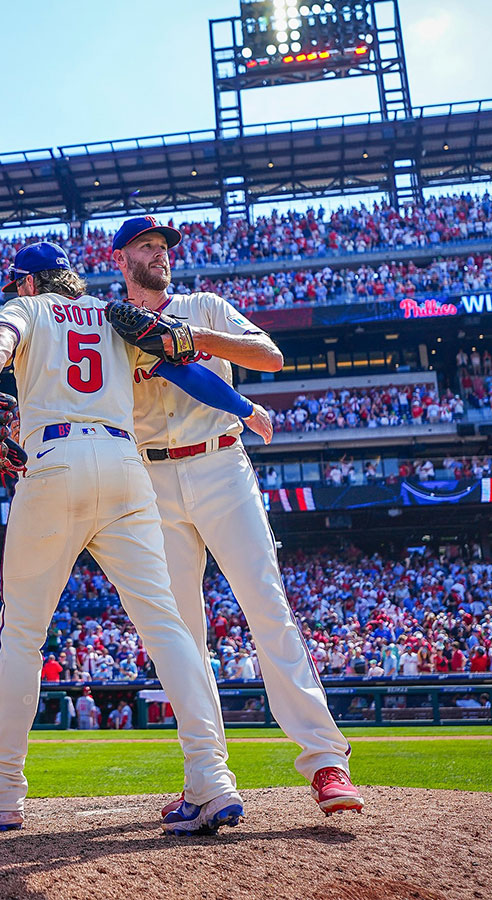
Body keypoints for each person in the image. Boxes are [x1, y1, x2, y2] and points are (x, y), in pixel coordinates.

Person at [0, 241, 267, 834]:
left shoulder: (29, 308)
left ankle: (3, 791)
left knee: (22, 634)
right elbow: (183, 370)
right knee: (167, 625)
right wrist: (242, 406)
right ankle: (211, 778)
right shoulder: (116, 314)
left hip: (54, 463)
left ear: (27, 283)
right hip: (126, 468)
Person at [112, 216, 364, 817]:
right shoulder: (107, 325)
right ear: (120, 258)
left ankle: (327, 762)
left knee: (267, 606)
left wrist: (191, 337)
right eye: (146, 246)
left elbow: (270, 356)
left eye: (164, 246)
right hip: (149, 478)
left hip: (222, 464)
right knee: (181, 636)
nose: (159, 254)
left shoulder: (205, 306)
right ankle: (206, 776)